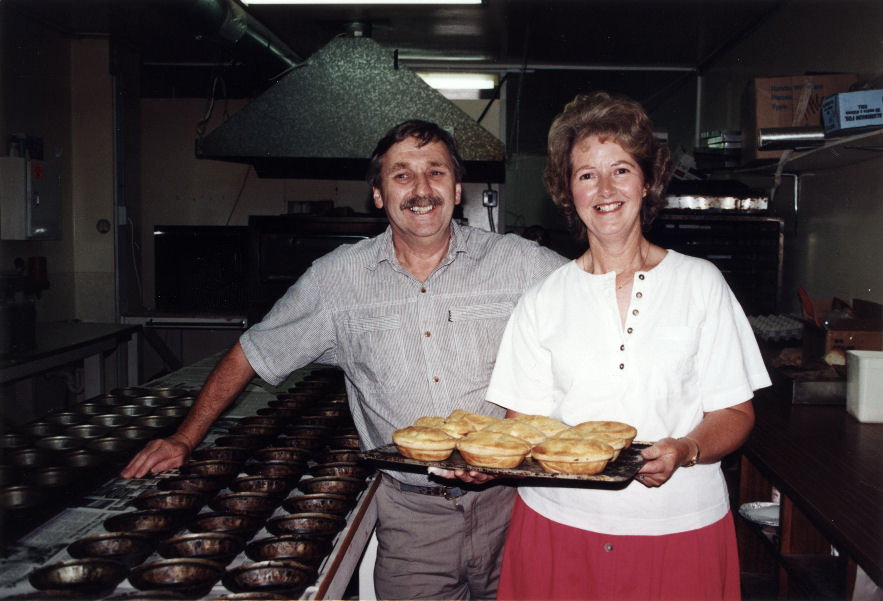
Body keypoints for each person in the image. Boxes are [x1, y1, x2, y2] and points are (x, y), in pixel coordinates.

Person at [121, 120, 567, 600]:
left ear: (457, 190)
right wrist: (184, 437)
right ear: (378, 194)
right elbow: (253, 351)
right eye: (402, 175)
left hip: (513, 509)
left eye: (436, 172)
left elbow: (597, 295)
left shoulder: (517, 262)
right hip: (412, 521)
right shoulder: (336, 280)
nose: (421, 189)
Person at [483, 92, 771, 601]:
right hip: (559, 525)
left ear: (647, 181)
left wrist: (687, 448)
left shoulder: (701, 283)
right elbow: (522, 426)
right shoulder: (541, 300)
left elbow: (734, 412)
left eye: (620, 170)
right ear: (568, 191)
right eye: (586, 174)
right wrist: (480, 459)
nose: (605, 189)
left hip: (679, 527)